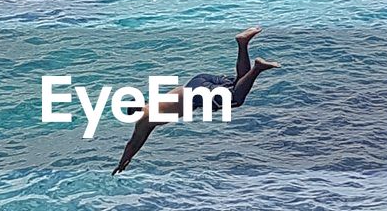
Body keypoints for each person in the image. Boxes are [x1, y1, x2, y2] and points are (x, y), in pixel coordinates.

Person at [112, 26, 279, 174]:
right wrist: (128, 160)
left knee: (236, 99)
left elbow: (134, 143)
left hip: (196, 95)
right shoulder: (153, 104)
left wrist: (122, 162)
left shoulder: (144, 120)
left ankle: (257, 67)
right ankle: (243, 43)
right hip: (196, 81)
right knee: (240, 81)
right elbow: (140, 141)